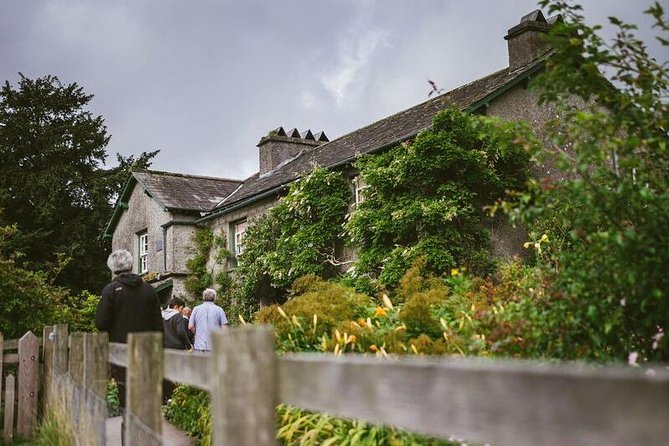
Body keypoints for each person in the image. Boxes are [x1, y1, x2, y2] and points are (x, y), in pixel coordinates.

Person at [95, 249, 163, 441]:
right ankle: (148, 436)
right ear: (132, 265)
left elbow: (101, 323)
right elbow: (158, 324)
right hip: (147, 352)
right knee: (147, 394)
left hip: (121, 351)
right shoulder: (149, 290)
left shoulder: (110, 290)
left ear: (113, 268)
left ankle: (129, 436)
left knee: (125, 393)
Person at [161, 297, 191, 403]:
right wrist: (188, 344)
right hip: (177, 348)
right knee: (178, 373)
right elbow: (181, 332)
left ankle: (166, 397)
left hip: (164, 348)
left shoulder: (161, 316)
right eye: (181, 308)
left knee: (165, 373)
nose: (182, 311)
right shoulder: (177, 316)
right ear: (176, 307)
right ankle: (177, 396)